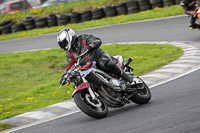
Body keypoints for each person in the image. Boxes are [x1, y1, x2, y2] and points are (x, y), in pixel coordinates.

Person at [57, 27, 134, 93]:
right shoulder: (70, 52)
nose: (64, 45)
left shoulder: (83, 38)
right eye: (62, 44)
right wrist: (64, 77)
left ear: (69, 37)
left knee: (105, 64)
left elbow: (97, 40)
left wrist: (91, 45)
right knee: (81, 79)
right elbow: (69, 65)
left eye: (64, 43)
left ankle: (128, 78)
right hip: (88, 66)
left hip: (98, 56)